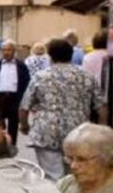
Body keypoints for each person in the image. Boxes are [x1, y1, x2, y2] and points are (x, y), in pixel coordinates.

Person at [20, 37, 105, 179]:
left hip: (47, 133)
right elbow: (101, 106)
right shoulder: (86, 76)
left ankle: (55, 192)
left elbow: (24, 106)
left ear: (50, 56)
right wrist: (101, 130)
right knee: (75, 175)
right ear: (71, 54)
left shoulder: (41, 76)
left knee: (52, 176)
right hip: (78, 132)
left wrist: (24, 125)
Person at [0, 39, 30, 143]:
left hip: (14, 98)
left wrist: (23, 97)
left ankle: (12, 145)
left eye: (8, 50)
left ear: (14, 51)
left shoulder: (21, 65)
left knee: (13, 124)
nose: (6, 52)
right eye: (3, 50)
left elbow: (26, 81)